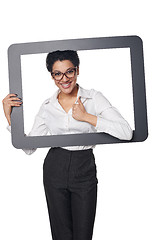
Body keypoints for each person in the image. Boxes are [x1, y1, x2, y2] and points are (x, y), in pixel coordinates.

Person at [2, 50, 133, 240]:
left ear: (77, 70)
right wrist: (9, 115)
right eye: (57, 73)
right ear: (52, 76)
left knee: (83, 234)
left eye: (69, 71)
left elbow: (126, 132)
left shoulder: (94, 98)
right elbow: (28, 147)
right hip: (55, 166)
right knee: (61, 235)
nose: (64, 78)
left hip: (84, 166)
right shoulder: (47, 106)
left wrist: (87, 117)